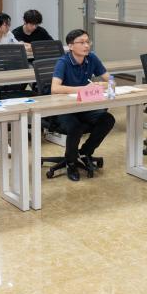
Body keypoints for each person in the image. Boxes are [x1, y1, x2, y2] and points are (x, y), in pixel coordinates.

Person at [51, 29, 116, 182]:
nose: (86, 46)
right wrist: (83, 89)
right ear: (70, 46)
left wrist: (104, 84)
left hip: (84, 106)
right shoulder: (63, 62)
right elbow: (55, 88)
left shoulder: (92, 58)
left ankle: (84, 152)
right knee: (75, 127)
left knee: (107, 119)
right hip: (64, 108)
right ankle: (71, 163)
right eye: (81, 42)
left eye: (88, 42)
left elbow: (111, 79)